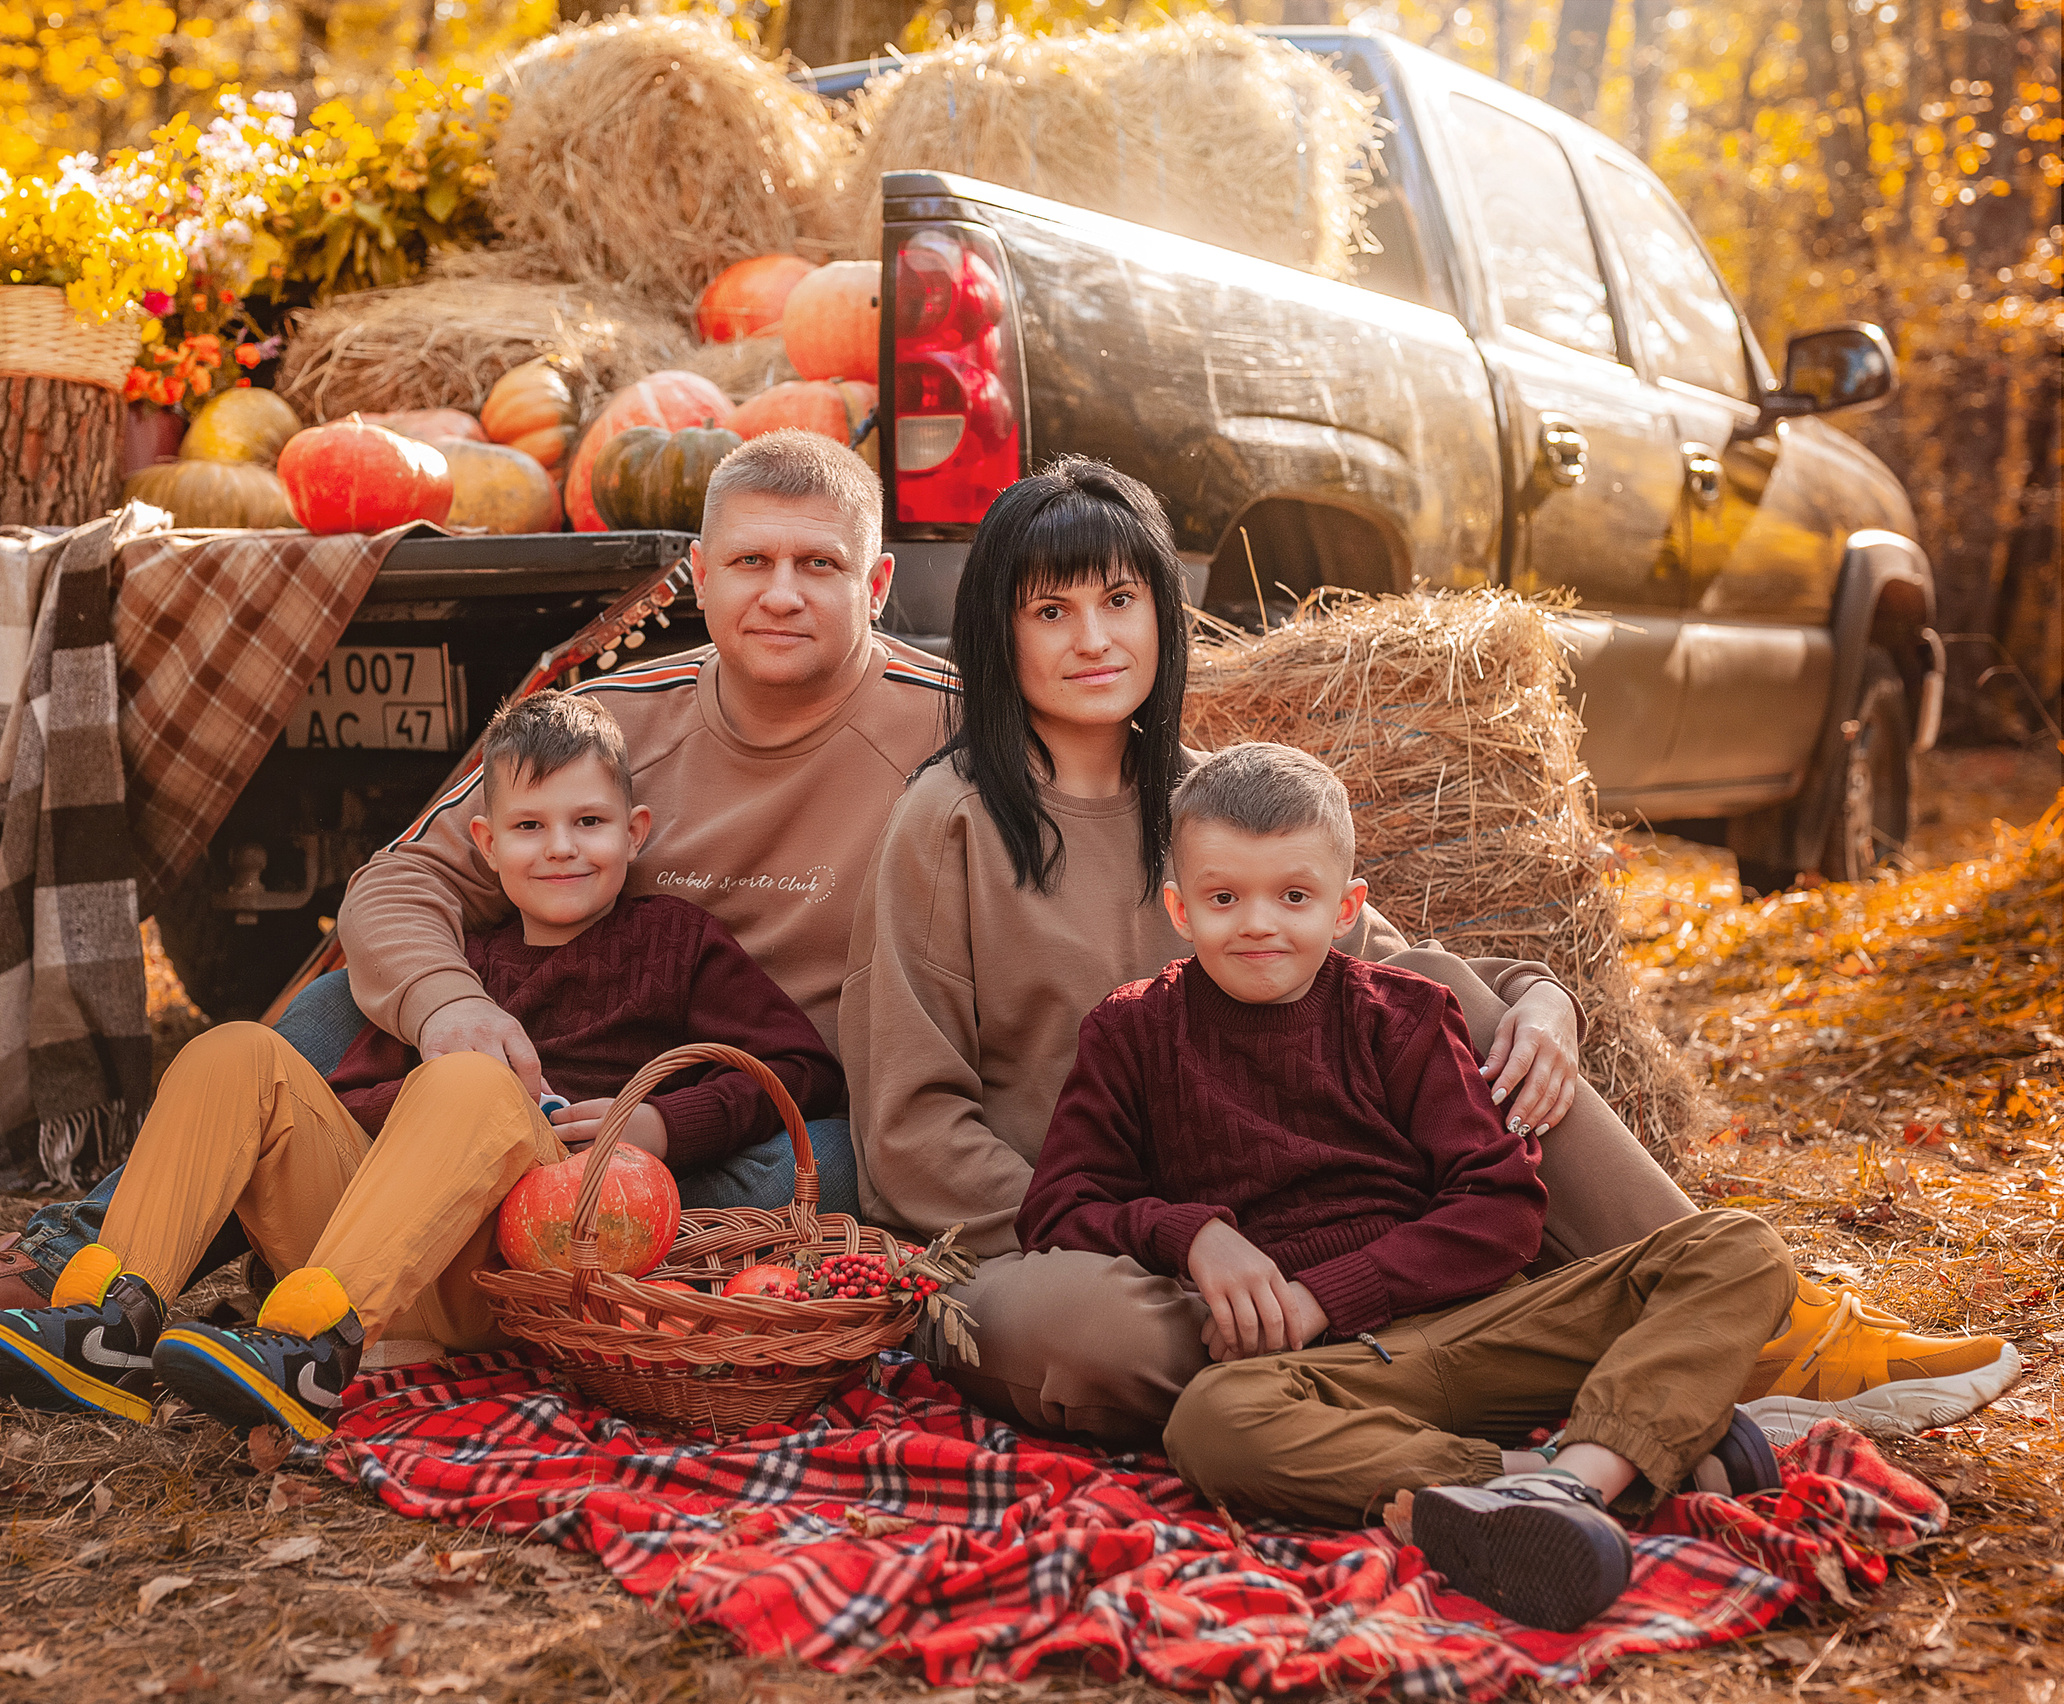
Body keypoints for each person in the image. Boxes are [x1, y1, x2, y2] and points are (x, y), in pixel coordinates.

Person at [841, 456, 2019, 1448]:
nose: (1091, 638)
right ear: (1001, 634)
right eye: (1050, 612)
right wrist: (1152, 1233)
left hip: (1287, 1226)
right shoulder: (943, 824)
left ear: (1161, 611)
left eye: (1116, 600)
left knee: (1460, 1001)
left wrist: (1544, 1004)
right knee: (1071, 1335)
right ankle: (1556, 1365)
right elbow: (910, 1134)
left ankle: (1771, 1332)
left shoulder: (1207, 803)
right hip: (1088, 1244)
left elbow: (1393, 970)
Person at [0, 428, 950, 1383]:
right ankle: (88, 1268)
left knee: (861, 1169)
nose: (783, 595)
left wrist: (658, 1123)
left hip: (765, 1113)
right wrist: (449, 1006)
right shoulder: (617, 719)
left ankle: (364, 1306)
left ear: (878, 583)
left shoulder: (952, 726)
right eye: (752, 563)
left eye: (820, 565)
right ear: (699, 574)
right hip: (524, 1103)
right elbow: (401, 882)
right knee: (356, 994)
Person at [1024, 742, 1797, 1631]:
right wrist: (1193, 1234)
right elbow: (1060, 1206)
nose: (1259, 925)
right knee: (1210, 1423)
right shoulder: (1130, 1035)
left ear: (1347, 907)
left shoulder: (1405, 1017)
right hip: (1331, 1374)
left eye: (1296, 896)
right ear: (1178, 907)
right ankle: (1557, 1480)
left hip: (1489, 1324)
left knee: (1739, 1248)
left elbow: (1502, 1207)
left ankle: (1572, 1477)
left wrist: (1327, 1294)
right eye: (1224, 897)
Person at [0, 690, 842, 1437]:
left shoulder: (676, 942)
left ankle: (306, 1351)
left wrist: (658, 1123)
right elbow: (349, 1091)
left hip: (518, 1263)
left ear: (636, 831)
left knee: (475, 1081)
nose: (561, 847)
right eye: (529, 825)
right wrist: (397, 1087)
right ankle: (107, 1321)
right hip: (375, 1233)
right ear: (485, 846)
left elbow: (800, 1067)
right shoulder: (461, 965)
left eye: (589, 822)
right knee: (234, 1051)